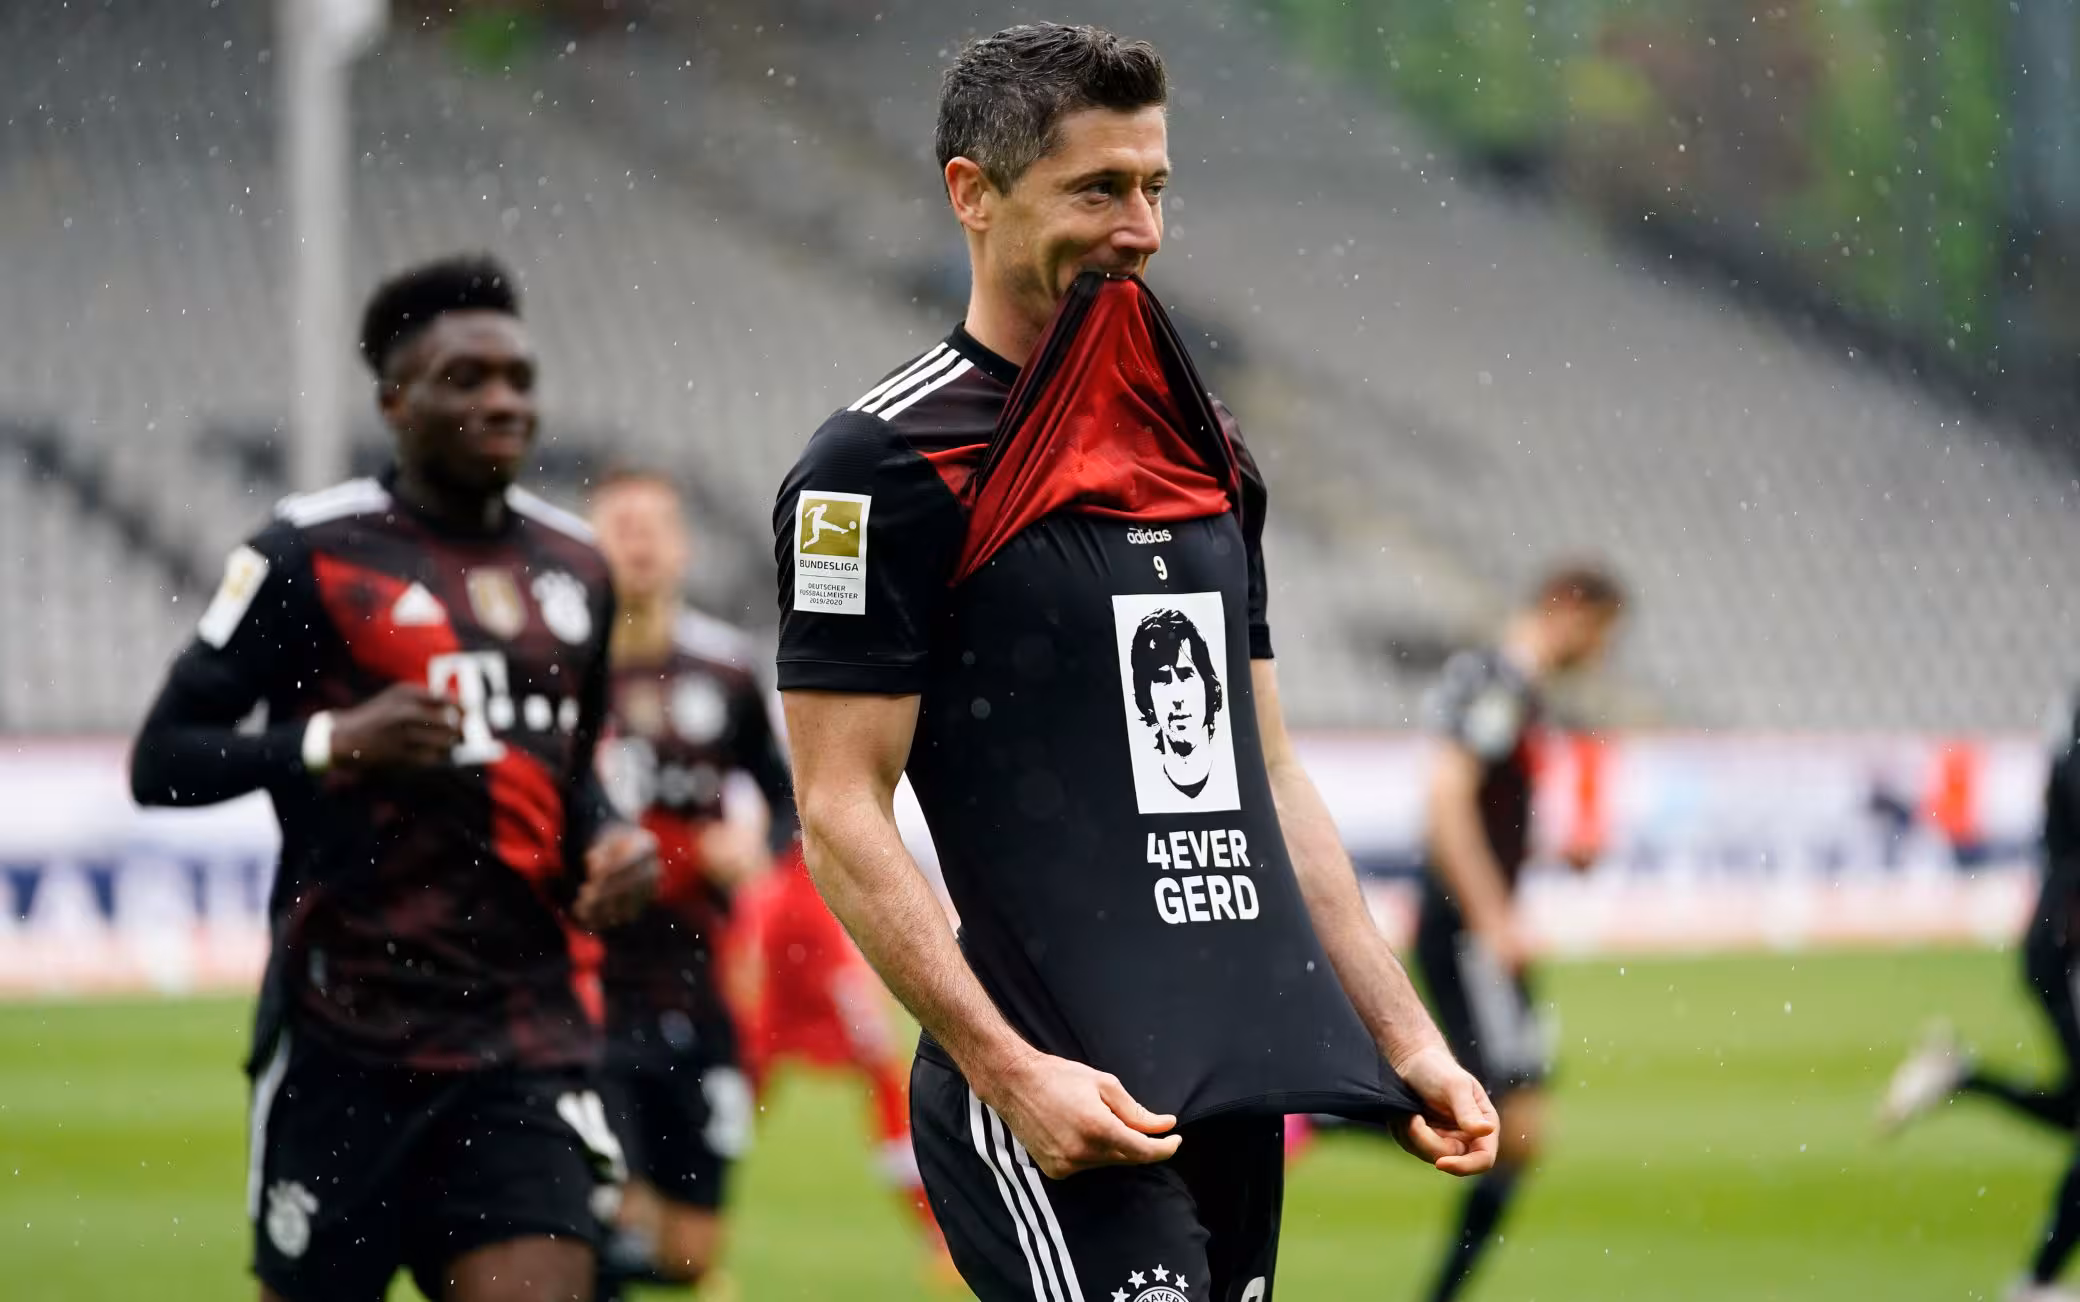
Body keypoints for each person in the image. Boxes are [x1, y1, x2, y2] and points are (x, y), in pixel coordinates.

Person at [772, 24, 1497, 1302]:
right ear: (972, 194)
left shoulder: (1202, 446)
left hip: (1229, 1079)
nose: (1141, 231)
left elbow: (1266, 779)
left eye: (1154, 188)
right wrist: (1009, 1072)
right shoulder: (875, 469)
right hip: (1044, 1091)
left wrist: (1407, 1038)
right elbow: (839, 809)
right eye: (1098, 190)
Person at [130, 254, 660, 1302]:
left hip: (521, 1042)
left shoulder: (577, 569)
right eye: (466, 379)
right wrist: (332, 741)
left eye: (518, 379)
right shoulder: (306, 553)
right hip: (347, 1040)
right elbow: (163, 760)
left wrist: (613, 840)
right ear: (394, 402)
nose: (503, 401)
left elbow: (572, 774)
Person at [585, 469, 791, 1296]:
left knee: (688, 1256)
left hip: (698, 989)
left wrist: (753, 841)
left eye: (654, 526)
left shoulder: (724, 668)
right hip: (584, 987)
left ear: (683, 546)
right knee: (606, 1220)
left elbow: (786, 799)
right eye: (620, 526)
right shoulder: (557, 667)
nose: (638, 542)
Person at [1412, 565, 1625, 1302]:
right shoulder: (1500, 684)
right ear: (1570, 609)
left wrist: (1550, 856)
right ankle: (1325, 1115)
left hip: (1475, 927)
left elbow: (1477, 813)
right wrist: (1491, 917)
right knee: (1508, 1123)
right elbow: (1445, 802)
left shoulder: (1509, 688)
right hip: (1471, 933)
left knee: (1518, 1132)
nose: (1601, 652)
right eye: (1602, 633)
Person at [1882, 689, 2080, 1302]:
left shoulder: (2068, 752)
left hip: (2058, 943)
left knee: (2075, 1110)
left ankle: (1961, 1077)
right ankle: (2037, 1281)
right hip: (2068, 950)